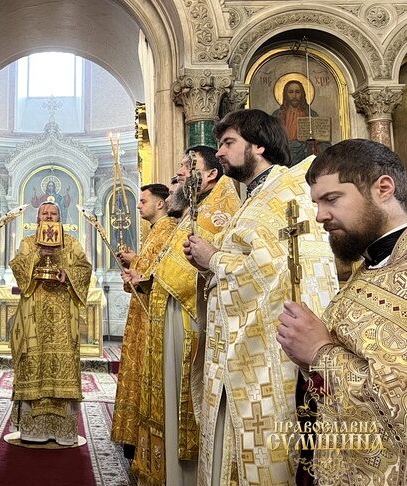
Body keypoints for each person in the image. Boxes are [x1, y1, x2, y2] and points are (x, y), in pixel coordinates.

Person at [184, 109, 339, 485]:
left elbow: (276, 269)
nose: (219, 152)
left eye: (228, 143)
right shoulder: (256, 197)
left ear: (259, 145)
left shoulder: (286, 193)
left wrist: (214, 259)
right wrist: (212, 261)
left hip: (268, 358)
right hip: (239, 350)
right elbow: (250, 259)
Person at [277, 139, 407, 485]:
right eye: (317, 203)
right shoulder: (371, 267)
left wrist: (321, 354)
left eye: (332, 199)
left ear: (383, 188)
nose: (320, 216)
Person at [127, 149, 240, 485]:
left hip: (189, 318)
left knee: (182, 403)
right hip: (169, 311)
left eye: (186, 167)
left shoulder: (221, 210)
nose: (176, 174)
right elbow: (168, 260)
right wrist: (146, 279)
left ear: (209, 176)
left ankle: (182, 478)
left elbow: (196, 262)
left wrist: (150, 276)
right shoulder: (194, 209)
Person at [9, 202, 92, 446]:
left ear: (60, 218)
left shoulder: (72, 243)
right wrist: (38, 255)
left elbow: (84, 269)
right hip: (33, 314)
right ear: (37, 218)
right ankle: (33, 430)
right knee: (34, 361)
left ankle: (63, 431)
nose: (48, 216)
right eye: (44, 213)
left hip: (63, 316)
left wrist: (68, 274)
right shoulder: (27, 242)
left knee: (61, 364)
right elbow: (17, 266)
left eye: (53, 213)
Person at [111, 183, 177, 458]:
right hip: (142, 312)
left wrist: (136, 266)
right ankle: (134, 437)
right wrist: (133, 265)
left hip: (152, 314)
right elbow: (147, 270)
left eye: (143, 200)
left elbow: (159, 272)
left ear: (160, 203)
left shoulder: (167, 230)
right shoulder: (155, 232)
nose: (139, 205)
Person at [272, 80, 329, 166]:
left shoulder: (311, 115)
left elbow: (323, 140)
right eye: (291, 92)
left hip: (305, 156)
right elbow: (270, 138)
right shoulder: (277, 115)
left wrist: (314, 142)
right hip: (283, 156)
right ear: (285, 94)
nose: (294, 96)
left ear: (302, 94)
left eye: (297, 92)